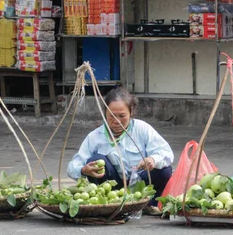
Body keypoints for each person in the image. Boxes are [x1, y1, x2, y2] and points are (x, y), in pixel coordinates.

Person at [67, 87, 174, 216]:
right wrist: (83, 170)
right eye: (111, 116)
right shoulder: (95, 136)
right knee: (95, 161)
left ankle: (148, 203)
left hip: (141, 184)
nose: (116, 121)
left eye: (122, 116)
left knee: (164, 169)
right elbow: (73, 166)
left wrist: (152, 160)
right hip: (113, 188)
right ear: (105, 113)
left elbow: (166, 153)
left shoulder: (142, 129)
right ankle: (111, 205)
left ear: (131, 112)